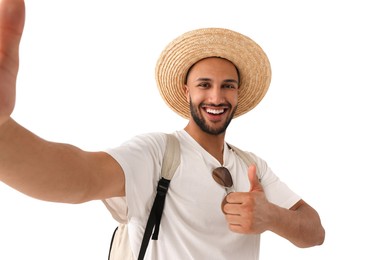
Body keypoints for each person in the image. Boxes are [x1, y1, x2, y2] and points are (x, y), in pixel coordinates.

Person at [0, 0, 325, 259]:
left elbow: (315, 232)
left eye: (228, 86)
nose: (216, 97)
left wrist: (273, 217)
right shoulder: (157, 153)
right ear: (187, 91)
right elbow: (78, 176)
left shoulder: (251, 165)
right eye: (204, 85)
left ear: (238, 94)